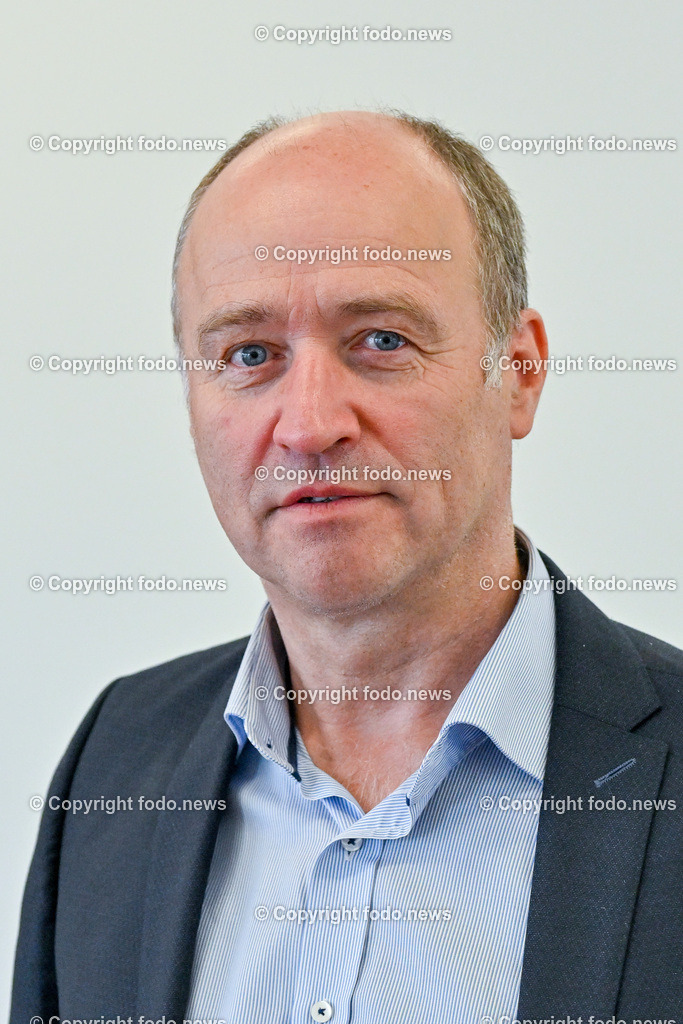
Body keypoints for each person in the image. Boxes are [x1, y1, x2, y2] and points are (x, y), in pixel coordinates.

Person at [12, 110, 682, 1024]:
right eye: (249, 355)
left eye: (381, 341)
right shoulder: (116, 759)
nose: (309, 424)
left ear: (518, 372)